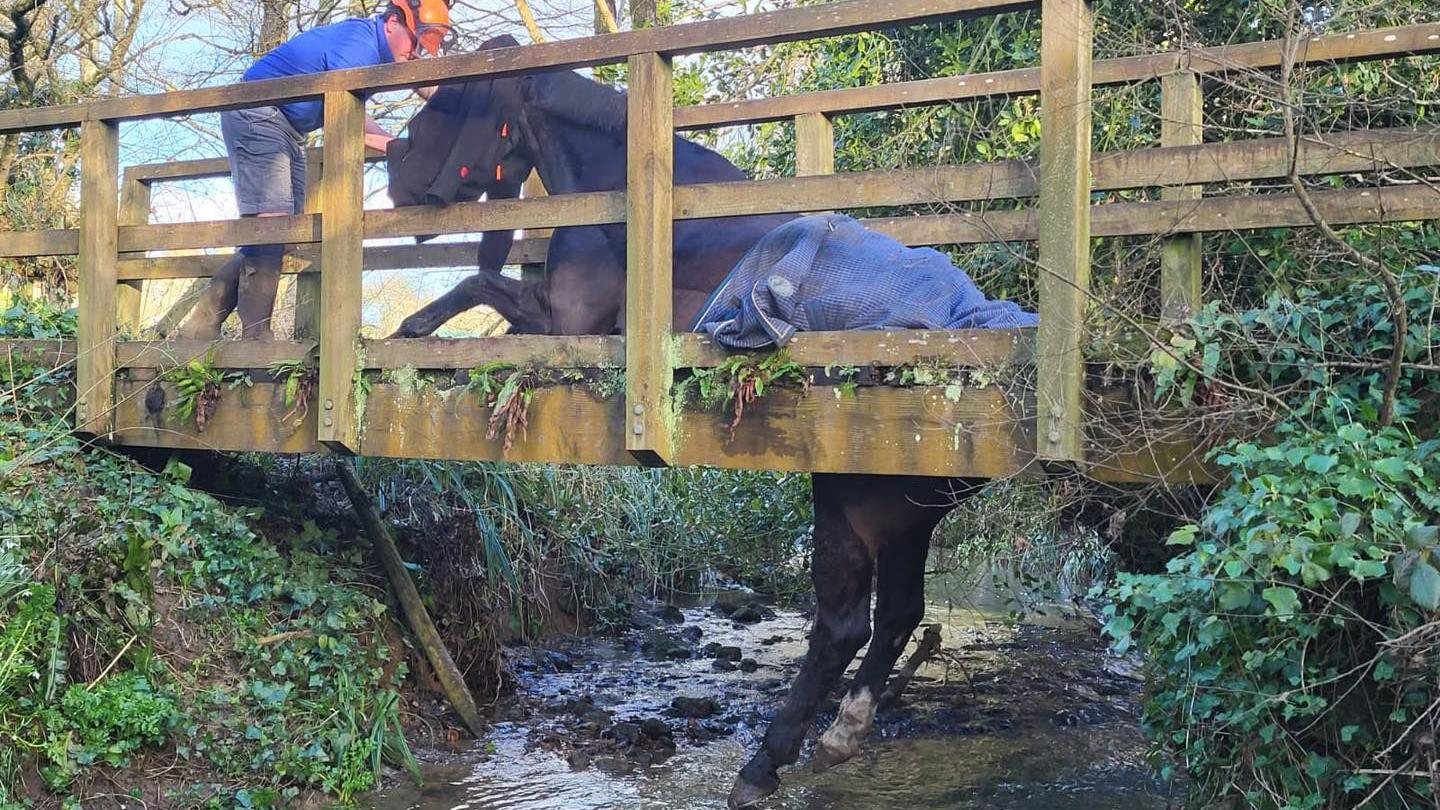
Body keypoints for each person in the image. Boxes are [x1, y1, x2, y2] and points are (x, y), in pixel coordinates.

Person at [178, 0, 451, 340]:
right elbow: (341, 116)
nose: (417, 53)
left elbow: (350, 108)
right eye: (415, 40)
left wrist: (396, 142)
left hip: (287, 125)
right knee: (273, 225)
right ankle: (255, 342)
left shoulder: (373, 53)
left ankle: (199, 327)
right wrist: (397, 148)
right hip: (258, 112)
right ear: (393, 23)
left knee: (285, 233)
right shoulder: (360, 48)